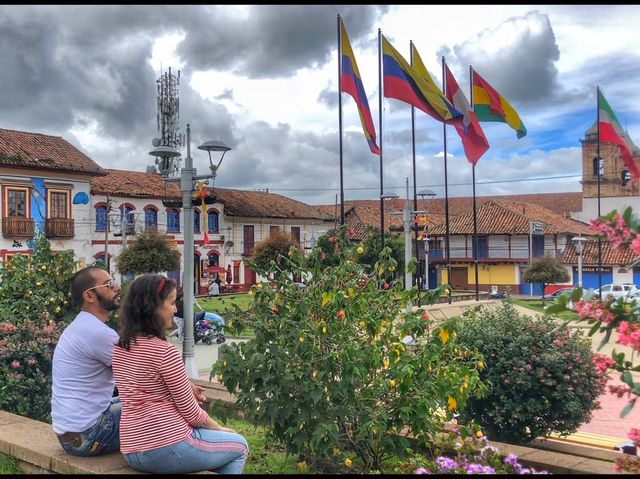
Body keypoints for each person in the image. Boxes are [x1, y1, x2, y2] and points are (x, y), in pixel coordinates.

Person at [112, 274, 248, 474]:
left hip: (132, 449)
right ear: (153, 306)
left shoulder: (120, 347)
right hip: (167, 446)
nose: (176, 310)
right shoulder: (165, 352)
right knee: (240, 446)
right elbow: (192, 413)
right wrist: (218, 428)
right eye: (172, 303)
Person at [51, 266, 122, 456]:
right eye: (109, 284)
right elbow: (138, 376)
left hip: (70, 434)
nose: (117, 287)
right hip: (90, 434)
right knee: (162, 404)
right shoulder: (98, 333)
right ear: (89, 296)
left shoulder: (81, 326)